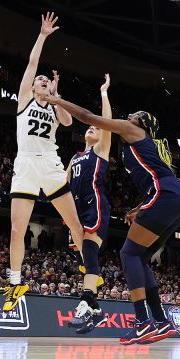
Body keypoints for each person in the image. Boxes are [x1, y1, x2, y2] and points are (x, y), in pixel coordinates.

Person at [38, 90, 180, 345]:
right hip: (173, 197)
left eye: (136, 114)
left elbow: (88, 116)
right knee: (139, 257)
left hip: (167, 194)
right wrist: (139, 209)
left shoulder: (132, 131)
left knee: (128, 254)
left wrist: (57, 101)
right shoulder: (136, 143)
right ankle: (161, 322)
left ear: (140, 122)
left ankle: (143, 322)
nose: (130, 114)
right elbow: (156, 180)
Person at [5, 12, 85, 312]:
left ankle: (87, 266)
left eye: (44, 82)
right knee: (16, 230)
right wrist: (42, 36)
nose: (41, 81)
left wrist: (56, 95)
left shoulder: (53, 105)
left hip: (50, 163)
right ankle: (14, 283)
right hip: (25, 165)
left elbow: (66, 122)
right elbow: (32, 65)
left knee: (74, 223)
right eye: (40, 81)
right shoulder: (24, 98)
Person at [68, 74, 113, 334]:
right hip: (74, 211)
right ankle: (95, 310)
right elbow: (61, 185)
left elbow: (106, 123)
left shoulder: (100, 151)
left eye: (94, 128)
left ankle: (85, 301)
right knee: (83, 257)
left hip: (94, 205)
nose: (91, 129)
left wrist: (104, 93)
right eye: (89, 128)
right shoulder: (74, 156)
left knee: (90, 251)